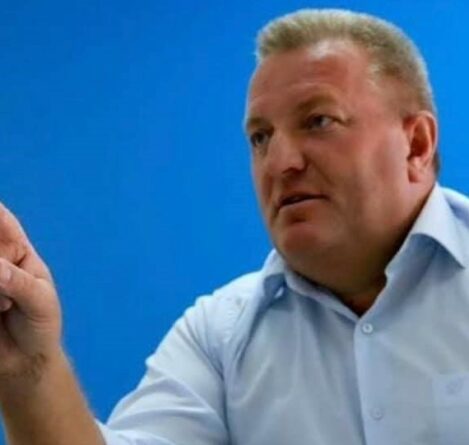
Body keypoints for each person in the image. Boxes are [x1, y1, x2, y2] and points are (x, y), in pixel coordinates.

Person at [0, 7, 468, 445]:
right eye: (260, 138)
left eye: (318, 121)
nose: (280, 162)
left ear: (416, 145)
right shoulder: (220, 334)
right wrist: (28, 368)